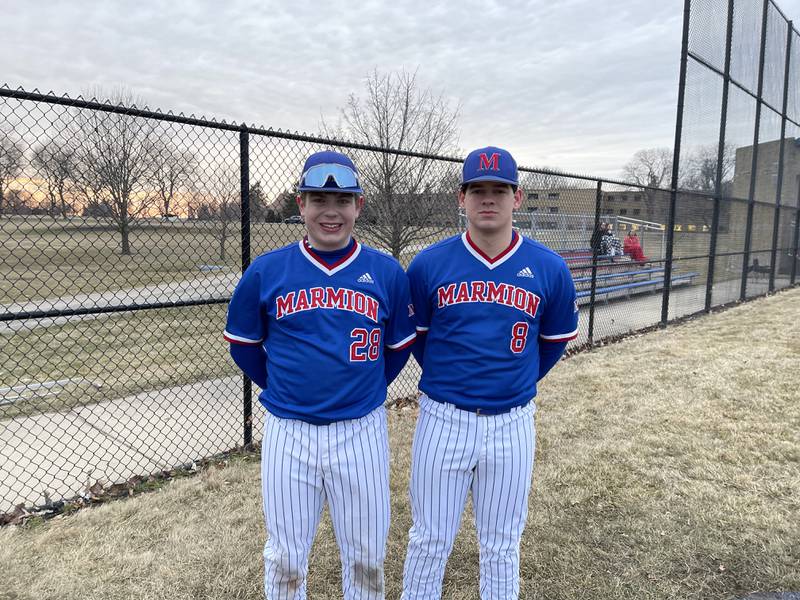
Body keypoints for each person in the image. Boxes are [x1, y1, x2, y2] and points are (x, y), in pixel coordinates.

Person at [224, 150, 416, 600]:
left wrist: (363, 389)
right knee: (286, 557)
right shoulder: (267, 270)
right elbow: (244, 345)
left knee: (366, 554)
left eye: (343, 200)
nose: (331, 212)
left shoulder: (386, 272)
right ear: (300, 204)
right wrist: (282, 387)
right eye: (318, 199)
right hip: (290, 432)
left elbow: (397, 350)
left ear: (359, 206)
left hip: (362, 430)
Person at [401, 146, 579, 599]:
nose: (488, 199)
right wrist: (451, 378)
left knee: (501, 544)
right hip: (443, 419)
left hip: (512, 422)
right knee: (429, 538)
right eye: (477, 189)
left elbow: (554, 341)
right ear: (460, 198)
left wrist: (515, 380)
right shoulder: (428, 264)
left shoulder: (548, 268)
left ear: (517, 198)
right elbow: (420, 338)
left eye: (499, 189)